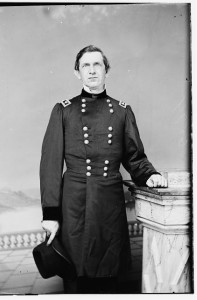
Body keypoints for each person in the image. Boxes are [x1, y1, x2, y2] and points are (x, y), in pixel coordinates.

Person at [40, 45, 167, 294]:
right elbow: (50, 166)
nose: (91, 70)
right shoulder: (63, 110)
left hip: (109, 202)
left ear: (106, 70)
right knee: (76, 274)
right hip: (74, 202)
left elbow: (135, 156)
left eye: (97, 64)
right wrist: (51, 215)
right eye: (85, 66)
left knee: (109, 274)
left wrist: (150, 175)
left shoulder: (121, 111)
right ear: (77, 73)